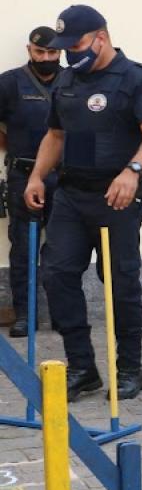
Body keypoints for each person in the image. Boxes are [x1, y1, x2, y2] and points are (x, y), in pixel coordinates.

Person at [27, 5, 142, 400]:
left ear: (101, 37)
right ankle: (83, 368)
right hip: (71, 196)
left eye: (76, 44)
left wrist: (133, 169)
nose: (70, 53)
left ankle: (130, 370)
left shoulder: (136, 78)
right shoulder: (66, 80)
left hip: (116, 198)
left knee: (120, 284)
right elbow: (55, 136)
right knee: (56, 275)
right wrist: (38, 176)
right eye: (65, 46)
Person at [0, 26, 61, 338]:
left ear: (60, 52)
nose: (47, 58)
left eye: (52, 53)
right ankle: (26, 315)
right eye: (41, 52)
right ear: (29, 51)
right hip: (23, 176)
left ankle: (63, 314)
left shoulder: (75, 82)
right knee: (24, 247)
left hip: (66, 180)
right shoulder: (9, 83)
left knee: (63, 248)